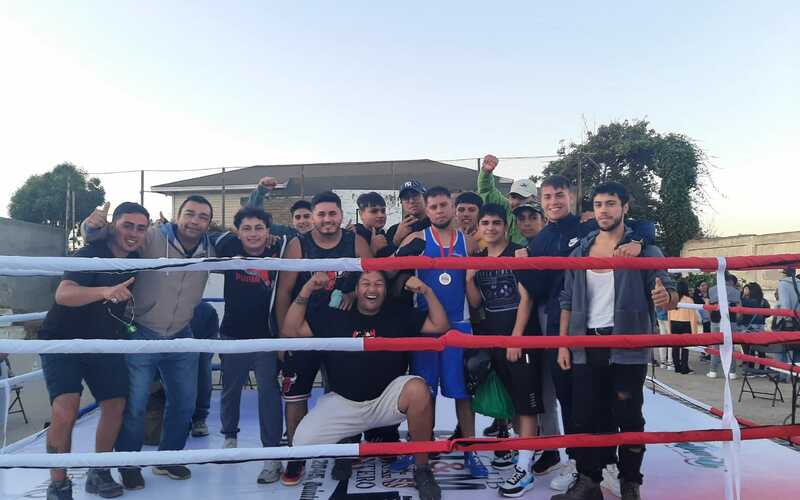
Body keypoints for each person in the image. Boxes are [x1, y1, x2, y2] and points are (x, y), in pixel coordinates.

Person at [81, 179, 270, 487]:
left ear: (208, 223)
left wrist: (262, 205)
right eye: (190, 214)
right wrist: (90, 227)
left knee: (184, 402)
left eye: (203, 217)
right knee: (136, 404)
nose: (195, 221)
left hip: (182, 333)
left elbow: (249, 229)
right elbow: (111, 238)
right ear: (177, 216)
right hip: (142, 332)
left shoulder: (211, 246)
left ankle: (169, 458)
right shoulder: (151, 237)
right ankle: (129, 463)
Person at [515, 175, 651, 490]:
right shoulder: (540, 240)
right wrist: (523, 265)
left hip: (598, 325)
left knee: (612, 402)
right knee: (572, 399)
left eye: (559, 195)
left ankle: (611, 465)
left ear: (572, 197)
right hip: (560, 324)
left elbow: (644, 226)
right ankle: (581, 465)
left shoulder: (590, 225)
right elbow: (539, 289)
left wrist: (640, 242)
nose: (553, 202)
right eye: (547, 196)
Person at [555, 181, 677, 500]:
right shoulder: (580, 252)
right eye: (598, 204)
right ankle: (589, 481)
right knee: (584, 417)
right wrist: (563, 342)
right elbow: (566, 299)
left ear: (625, 207)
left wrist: (665, 298)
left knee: (628, 416)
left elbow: (670, 293)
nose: (603, 210)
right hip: (586, 345)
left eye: (610, 203)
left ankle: (630, 482)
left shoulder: (646, 250)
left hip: (627, 345)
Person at [281, 272, 447, 500]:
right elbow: (290, 330)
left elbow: (440, 325)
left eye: (379, 284)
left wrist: (426, 291)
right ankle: (344, 446)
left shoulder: (398, 314)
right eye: (366, 283)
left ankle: (422, 469)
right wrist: (306, 289)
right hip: (344, 404)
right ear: (356, 289)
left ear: (386, 290)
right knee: (302, 442)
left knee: (418, 390)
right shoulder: (335, 316)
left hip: (384, 402)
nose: (372, 289)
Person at [41, 202, 150, 500]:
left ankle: (99, 471)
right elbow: (63, 294)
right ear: (114, 225)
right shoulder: (90, 253)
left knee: (115, 405)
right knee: (65, 408)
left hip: (103, 339)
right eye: (127, 225)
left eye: (141, 228)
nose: (134, 233)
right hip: (63, 339)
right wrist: (104, 291)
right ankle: (59, 484)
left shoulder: (137, 258)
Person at [274, 190, 372, 485]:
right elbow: (283, 292)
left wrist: (354, 292)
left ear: (341, 215)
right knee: (296, 395)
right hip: (304, 331)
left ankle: (344, 450)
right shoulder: (298, 244)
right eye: (321, 214)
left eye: (332, 213)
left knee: (346, 393)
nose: (327, 219)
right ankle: (296, 455)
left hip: (343, 332)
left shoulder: (355, 241)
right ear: (313, 217)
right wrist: (283, 337)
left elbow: (372, 280)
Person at [393, 186, 488, 479]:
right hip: (425, 329)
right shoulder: (416, 240)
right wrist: (406, 281)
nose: (438, 211)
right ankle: (420, 446)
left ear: (452, 206)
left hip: (460, 326)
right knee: (425, 393)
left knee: (463, 392)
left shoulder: (469, 242)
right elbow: (393, 274)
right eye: (433, 206)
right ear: (427, 209)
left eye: (443, 205)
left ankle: (470, 450)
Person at [465, 204, 544, 497]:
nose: (490, 228)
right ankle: (522, 451)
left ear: (505, 225)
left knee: (526, 404)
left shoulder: (518, 253)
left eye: (496, 222)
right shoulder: (478, 258)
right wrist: (469, 278)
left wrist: (517, 337)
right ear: (479, 227)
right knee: (509, 400)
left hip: (519, 337)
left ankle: (525, 468)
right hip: (492, 337)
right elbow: (476, 303)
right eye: (485, 223)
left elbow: (527, 299)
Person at [215, 205, 287, 484]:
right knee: (230, 389)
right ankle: (229, 438)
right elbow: (217, 237)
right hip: (233, 335)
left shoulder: (278, 249)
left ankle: (272, 455)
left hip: (266, 337)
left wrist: (276, 234)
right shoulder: (229, 248)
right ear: (238, 232)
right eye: (246, 228)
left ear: (268, 230)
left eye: (259, 228)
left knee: (268, 393)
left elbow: (295, 235)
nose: (253, 233)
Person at [477, 154, 535, 246]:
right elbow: (487, 191)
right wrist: (486, 173)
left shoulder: (545, 217)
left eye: (522, 198)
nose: (516, 202)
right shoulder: (507, 209)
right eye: (513, 197)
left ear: (534, 199)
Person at [189, 301, 219, 438]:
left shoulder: (205, 311)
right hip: (167, 316)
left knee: (202, 369)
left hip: (200, 318)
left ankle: (199, 418)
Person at [707, 273, 742, 379]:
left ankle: (713, 371)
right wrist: (737, 319)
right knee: (730, 346)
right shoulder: (736, 292)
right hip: (730, 319)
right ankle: (732, 372)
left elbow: (709, 306)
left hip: (715, 318)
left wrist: (710, 317)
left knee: (715, 346)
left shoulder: (712, 290)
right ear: (730, 280)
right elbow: (739, 309)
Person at [385, 180, 431, 250]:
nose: (411, 201)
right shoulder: (393, 230)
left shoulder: (437, 225)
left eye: (415, 196)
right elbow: (385, 256)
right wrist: (396, 241)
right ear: (401, 203)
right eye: (406, 198)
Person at [667, 281, 698, 374]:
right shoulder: (689, 300)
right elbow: (693, 317)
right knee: (685, 347)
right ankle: (684, 368)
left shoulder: (672, 299)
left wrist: (669, 328)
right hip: (685, 324)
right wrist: (694, 333)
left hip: (674, 323)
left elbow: (669, 314)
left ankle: (677, 367)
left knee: (675, 347)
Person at [353, 191, 393, 257]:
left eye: (383, 211)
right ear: (361, 214)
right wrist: (372, 250)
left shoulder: (385, 234)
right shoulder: (353, 235)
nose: (381, 215)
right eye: (374, 211)